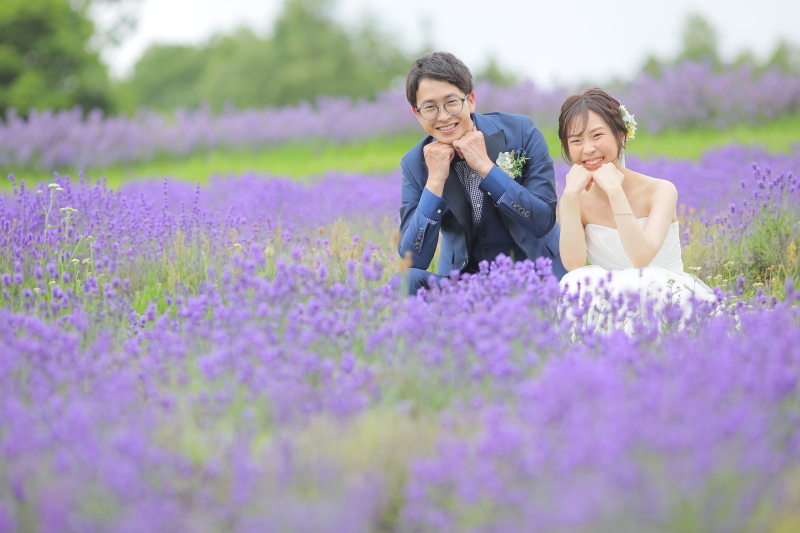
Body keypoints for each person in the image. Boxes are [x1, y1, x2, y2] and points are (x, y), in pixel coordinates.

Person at [398, 52, 565, 295]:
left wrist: (486, 168)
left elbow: (543, 220)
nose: (443, 116)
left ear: (471, 101)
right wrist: (434, 181)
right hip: (465, 284)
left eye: (451, 102)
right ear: (417, 114)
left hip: (533, 271)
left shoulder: (522, 132)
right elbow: (413, 260)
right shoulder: (415, 163)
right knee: (405, 282)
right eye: (430, 107)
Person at [557, 88, 714, 328]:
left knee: (639, 279)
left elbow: (641, 258)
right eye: (576, 141)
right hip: (613, 305)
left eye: (597, 135)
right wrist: (569, 196)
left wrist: (614, 191)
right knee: (574, 282)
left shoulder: (661, 190)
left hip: (666, 298)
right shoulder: (574, 200)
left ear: (620, 135)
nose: (587, 149)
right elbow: (573, 265)